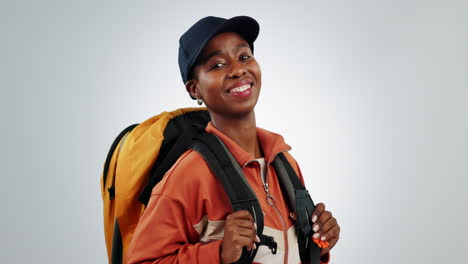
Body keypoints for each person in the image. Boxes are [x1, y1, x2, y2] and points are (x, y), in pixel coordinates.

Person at [126, 16, 340, 264]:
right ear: (195, 89)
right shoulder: (189, 175)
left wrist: (319, 245)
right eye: (217, 65)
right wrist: (218, 254)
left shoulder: (284, 163)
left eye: (244, 57)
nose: (238, 70)